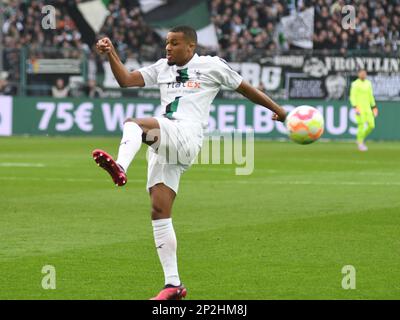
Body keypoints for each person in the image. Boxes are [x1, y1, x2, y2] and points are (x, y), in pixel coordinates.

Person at [92, 25, 287, 300]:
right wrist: (111, 52)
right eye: (167, 43)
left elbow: (246, 89)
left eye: (174, 43)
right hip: (165, 144)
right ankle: (173, 285)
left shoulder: (211, 66)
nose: (168, 48)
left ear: (191, 47)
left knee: (134, 124)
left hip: (185, 135)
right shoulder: (162, 67)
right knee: (159, 211)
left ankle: (121, 167)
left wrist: (279, 111)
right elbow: (125, 80)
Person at [349, 69, 378, 151]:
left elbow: (371, 96)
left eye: (364, 73)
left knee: (372, 125)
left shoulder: (368, 83)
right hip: (359, 108)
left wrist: (374, 107)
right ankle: (360, 142)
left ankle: (360, 139)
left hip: (368, 108)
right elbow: (352, 96)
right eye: (362, 73)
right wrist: (355, 107)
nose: (363, 75)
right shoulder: (355, 84)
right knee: (361, 125)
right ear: (358, 74)